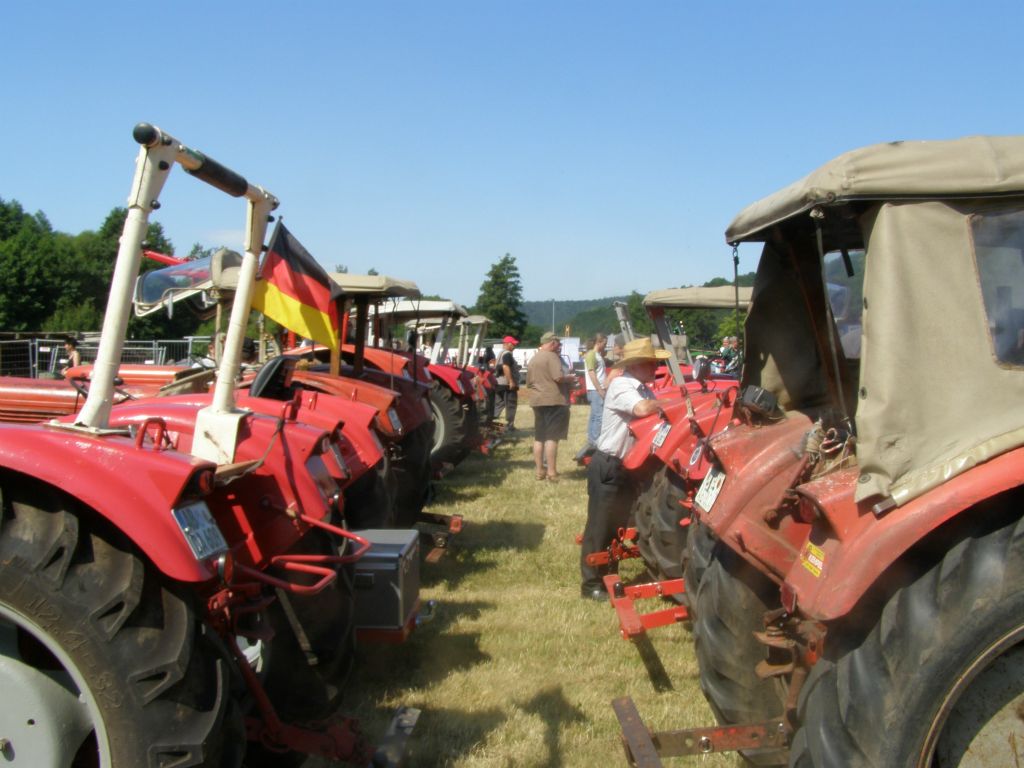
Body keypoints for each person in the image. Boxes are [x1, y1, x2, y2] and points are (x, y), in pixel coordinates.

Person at [580, 337, 669, 600]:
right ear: (638, 364)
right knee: (599, 528)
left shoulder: (642, 388)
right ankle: (590, 585)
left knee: (616, 527)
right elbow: (643, 410)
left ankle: (608, 575)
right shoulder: (622, 385)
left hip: (626, 467)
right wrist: (668, 402)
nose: (656, 367)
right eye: (652, 363)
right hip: (610, 464)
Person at [526, 331, 575, 481]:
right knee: (552, 437)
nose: (559, 346)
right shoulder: (552, 357)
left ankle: (539, 471)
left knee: (539, 437)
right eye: (558, 343)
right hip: (554, 400)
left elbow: (528, 383)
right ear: (552, 343)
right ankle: (552, 472)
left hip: (537, 401)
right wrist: (570, 378)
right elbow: (558, 377)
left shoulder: (533, 358)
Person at [493, 336, 521, 430]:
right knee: (511, 404)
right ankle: (510, 425)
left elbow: (500, 367)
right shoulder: (507, 354)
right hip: (506, 385)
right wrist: (511, 381)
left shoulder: (500, 354)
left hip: (499, 383)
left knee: (498, 404)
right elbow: (505, 367)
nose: (514, 346)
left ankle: (489, 422)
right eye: (513, 344)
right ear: (507, 344)